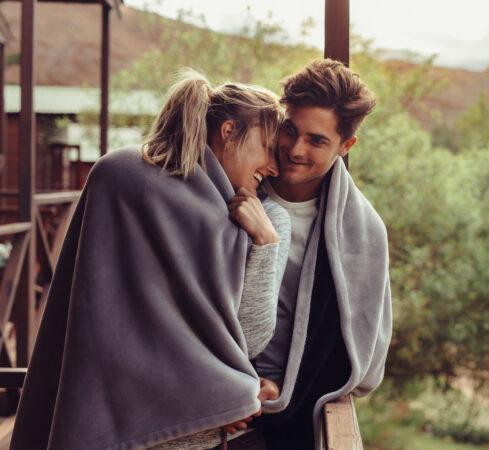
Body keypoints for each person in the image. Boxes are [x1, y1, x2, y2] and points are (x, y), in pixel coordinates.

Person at [10, 70, 290, 450]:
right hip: (181, 427)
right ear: (228, 132)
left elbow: (244, 338)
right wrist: (220, 397)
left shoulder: (117, 172)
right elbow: (100, 321)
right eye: (268, 148)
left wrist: (265, 240)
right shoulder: (125, 181)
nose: (273, 167)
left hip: (138, 422)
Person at [251, 59, 393, 449]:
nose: (295, 150)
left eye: (316, 140)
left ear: (346, 146)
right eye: (289, 130)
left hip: (291, 401)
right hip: (216, 390)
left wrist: (287, 387)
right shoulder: (233, 190)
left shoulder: (364, 232)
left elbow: (362, 357)